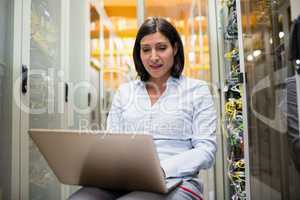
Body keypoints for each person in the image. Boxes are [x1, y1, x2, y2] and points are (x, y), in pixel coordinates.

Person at [69, 17, 217, 200]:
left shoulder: (197, 90)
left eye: (162, 48)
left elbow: (206, 150)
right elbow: (112, 143)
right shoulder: (125, 92)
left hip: (178, 180)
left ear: (175, 48)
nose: (153, 57)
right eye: (146, 49)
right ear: (139, 53)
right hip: (125, 179)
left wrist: (161, 169)